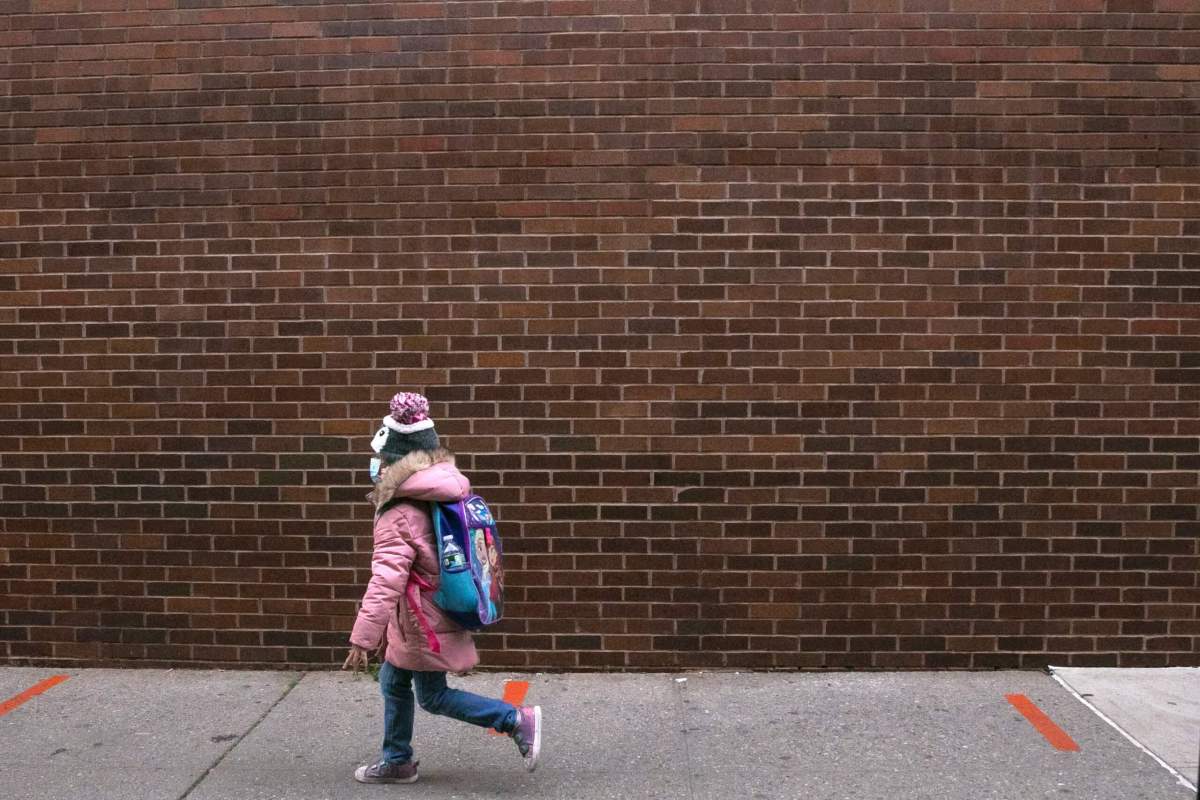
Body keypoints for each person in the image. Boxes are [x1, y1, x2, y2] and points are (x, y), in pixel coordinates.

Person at [343, 391, 542, 784]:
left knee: (432, 696)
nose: (375, 465)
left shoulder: (398, 512)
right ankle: (397, 759)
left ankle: (515, 719)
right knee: (393, 680)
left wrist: (363, 638)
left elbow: (386, 579)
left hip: (422, 621)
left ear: (393, 461)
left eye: (380, 459)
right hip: (432, 610)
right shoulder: (444, 491)